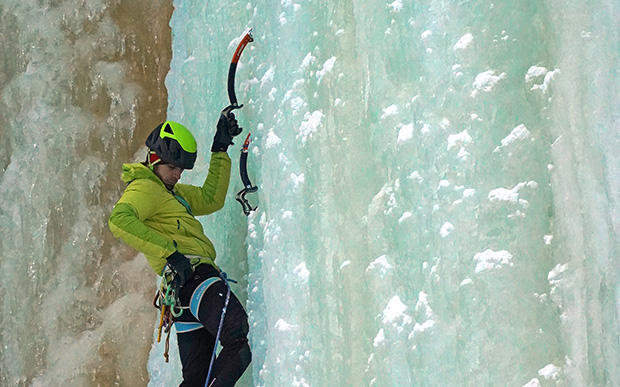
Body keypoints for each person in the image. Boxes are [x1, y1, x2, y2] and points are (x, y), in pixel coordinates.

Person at [108, 108, 251, 387]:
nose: (177, 175)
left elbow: (211, 199)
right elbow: (119, 219)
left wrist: (220, 148)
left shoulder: (171, 193)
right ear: (153, 159)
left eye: (181, 169)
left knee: (196, 379)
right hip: (195, 279)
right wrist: (170, 253)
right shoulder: (145, 188)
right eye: (172, 167)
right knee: (237, 336)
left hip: (182, 294)